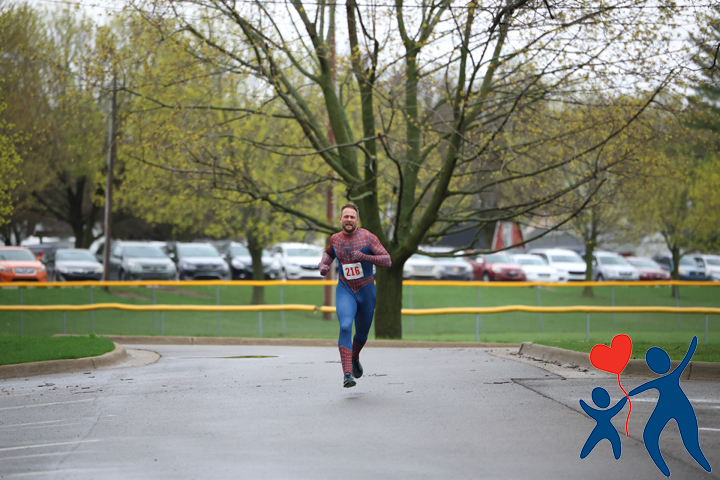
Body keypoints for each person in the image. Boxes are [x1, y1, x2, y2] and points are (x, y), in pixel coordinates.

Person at [318, 203, 391, 388]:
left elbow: (387, 260)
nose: (349, 220)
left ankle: (355, 356)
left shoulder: (368, 237)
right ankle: (347, 374)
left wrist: (365, 257)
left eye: (352, 217)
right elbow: (329, 254)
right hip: (346, 289)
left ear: (357, 220)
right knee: (344, 326)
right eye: (346, 216)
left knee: (361, 335)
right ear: (340, 219)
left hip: (366, 291)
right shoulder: (336, 239)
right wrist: (323, 265)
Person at [629, 336, 712, 477]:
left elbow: (643, 387)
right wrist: (693, 345)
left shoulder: (666, 378)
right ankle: (666, 470)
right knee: (651, 435)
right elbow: (686, 360)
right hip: (673, 407)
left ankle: (703, 466)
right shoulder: (671, 376)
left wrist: (629, 394)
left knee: (657, 437)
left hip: (675, 407)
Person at [579, 387, 627, 460]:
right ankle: (617, 456)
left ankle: (583, 454)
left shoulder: (596, 413)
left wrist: (582, 403)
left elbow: (587, 409)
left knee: (590, 443)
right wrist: (624, 399)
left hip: (599, 429)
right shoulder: (608, 413)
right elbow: (617, 407)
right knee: (616, 442)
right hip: (609, 428)